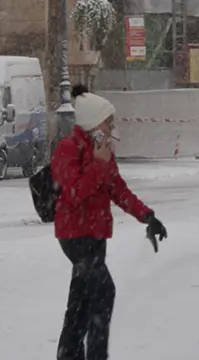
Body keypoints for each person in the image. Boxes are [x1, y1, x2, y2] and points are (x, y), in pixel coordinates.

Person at [50, 91, 165, 360]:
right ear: (93, 122)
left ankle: (69, 355)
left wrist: (147, 216)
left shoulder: (101, 150)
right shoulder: (69, 149)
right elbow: (74, 194)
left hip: (96, 234)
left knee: (82, 301)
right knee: (103, 292)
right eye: (107, 122)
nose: (111, 127)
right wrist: (99, 166)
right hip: (75, 236)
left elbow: (118, 189)